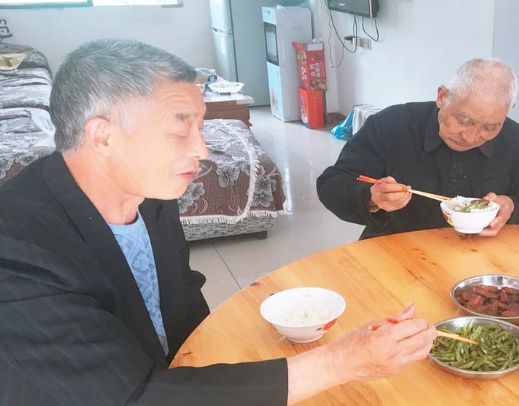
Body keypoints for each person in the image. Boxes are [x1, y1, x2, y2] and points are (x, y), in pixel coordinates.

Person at [0, 39, 436, 405]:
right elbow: (132, 399)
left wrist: (230, 364)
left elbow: (184, 297)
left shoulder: (151, 195)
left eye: (202, 127)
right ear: (103, 136)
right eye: (179, 129)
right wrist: (342, 361)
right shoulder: (19, 251)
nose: (203, 151)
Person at [317, 58, 519, 240]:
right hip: (393, 251)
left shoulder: (517, 141)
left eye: (490, 127)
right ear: (442, 96)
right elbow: (332, 184)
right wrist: (371, 198)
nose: (472, 137)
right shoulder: (392, 124)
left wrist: (512, 206)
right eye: (463, 120)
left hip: (482, 261)